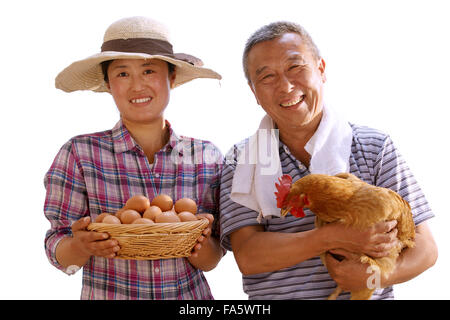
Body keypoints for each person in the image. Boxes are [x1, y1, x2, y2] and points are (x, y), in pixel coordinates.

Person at [219, 21, 438, 299]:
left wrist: (376, 275)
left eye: (295, 67)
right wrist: (335, 236)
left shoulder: (374, 147)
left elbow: (426, 248)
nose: (285, 86)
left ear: (321, 70)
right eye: (267, 77)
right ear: (254, 92)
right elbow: (249, 257)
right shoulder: (240, 161)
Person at [44, 16, 224, 300]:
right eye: (122, 74)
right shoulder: (80, 154)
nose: (137, 86)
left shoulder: (207, 157)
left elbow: (213, 257)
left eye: (149, 71)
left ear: (172, 78)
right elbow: (58, 250)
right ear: (107, 84)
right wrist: (82, 246)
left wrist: (197, 242)